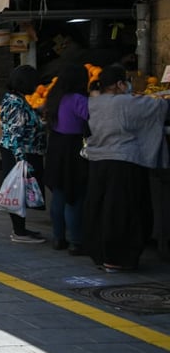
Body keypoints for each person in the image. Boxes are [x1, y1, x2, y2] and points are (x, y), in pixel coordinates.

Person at [84, 65, 170, 272]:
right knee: (124, 211)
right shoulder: (124, 102)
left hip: (98, 161)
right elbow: (159, 108)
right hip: (122, 162)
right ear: (119, 84)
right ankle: (118, 257)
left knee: (101, 210)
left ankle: (102, 255)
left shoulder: (95, 101)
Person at [44, 64, 91, 254]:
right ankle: (76, 241)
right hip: (73, 149)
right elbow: (92, 117)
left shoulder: (54, 97)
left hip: (56, 147)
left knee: (59, 194)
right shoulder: (78, 99)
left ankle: (58, 238)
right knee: (74, 195)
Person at [0, 65, 46, 244]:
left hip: (18, 151)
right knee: (18, 190)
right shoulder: (16, 102)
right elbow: (14, 133)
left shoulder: (15, 99)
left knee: (20, 191)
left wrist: (36, 112)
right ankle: (19, 232)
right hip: (20, 152)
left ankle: (20, 229)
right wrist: (21, 161)